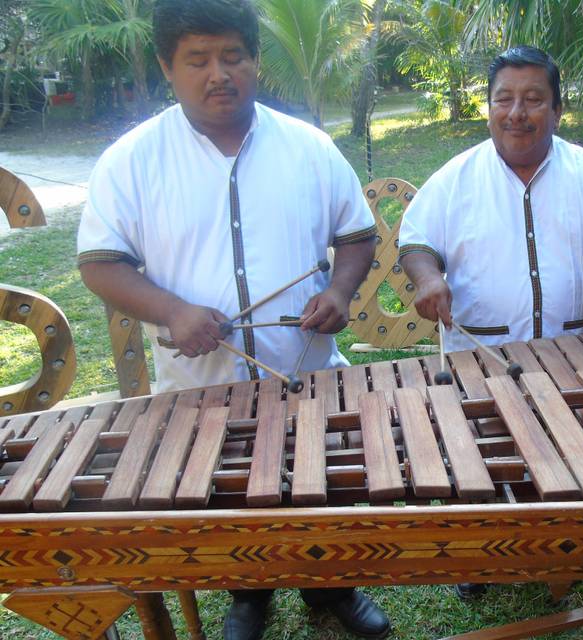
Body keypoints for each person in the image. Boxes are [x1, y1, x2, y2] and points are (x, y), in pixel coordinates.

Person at [76, 1, 390, 638]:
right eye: (197, 59)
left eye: (232, 56)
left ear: (254, 60)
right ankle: (248, 594)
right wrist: (174, 311)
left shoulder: (309, 147)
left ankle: (331, 587)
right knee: (226, 496)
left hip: (303, 372)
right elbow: (100, 264)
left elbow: (357, 235)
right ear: (169, 66)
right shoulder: (130, 160)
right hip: (200, 387)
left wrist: (339, 290)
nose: (218, 73)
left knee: (319, 483)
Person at [399, 45, 583, 359]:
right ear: (489, 109)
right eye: (503, 99)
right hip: (480, 363)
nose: (516, 113)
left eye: (533, 100)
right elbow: (416, 242)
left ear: (557, 111)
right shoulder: (454, 178)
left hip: (575, 359)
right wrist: (427, 278)